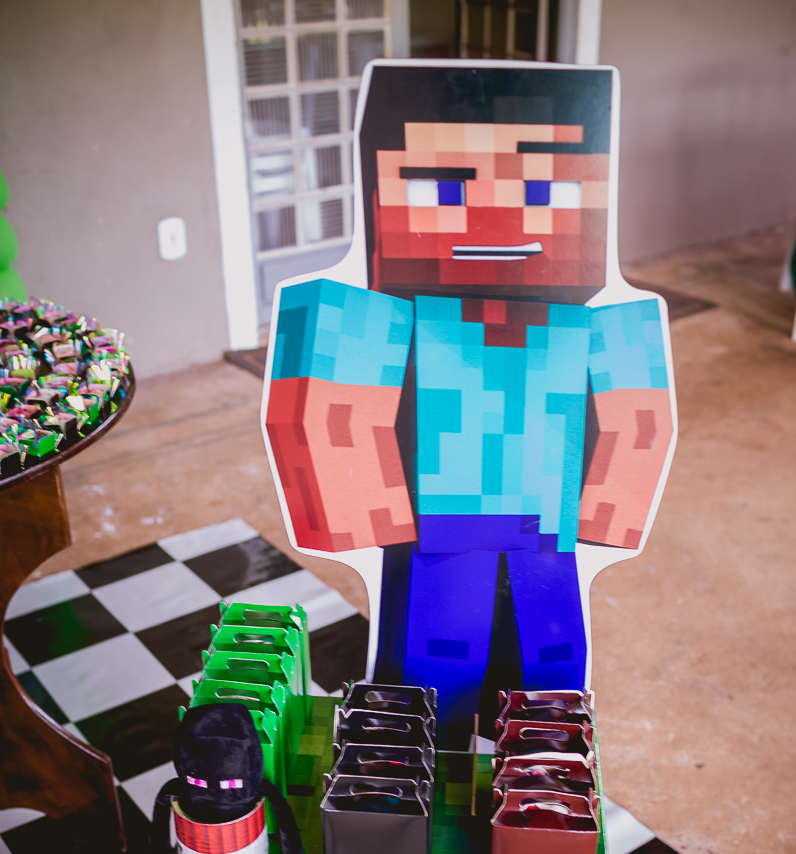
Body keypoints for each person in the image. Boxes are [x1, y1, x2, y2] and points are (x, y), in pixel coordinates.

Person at [265, 64, 675, 748]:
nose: (494, 218)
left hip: (544, 528)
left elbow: (641, 421)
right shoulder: (387, 316)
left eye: (545, 190)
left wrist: (608, 511)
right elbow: (320, 417)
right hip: (447, 528)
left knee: (552, 661)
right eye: (440, 187)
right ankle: (437, 765)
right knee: (439, 658)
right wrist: (371, 509)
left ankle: (547, 770)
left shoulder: (595, 322)